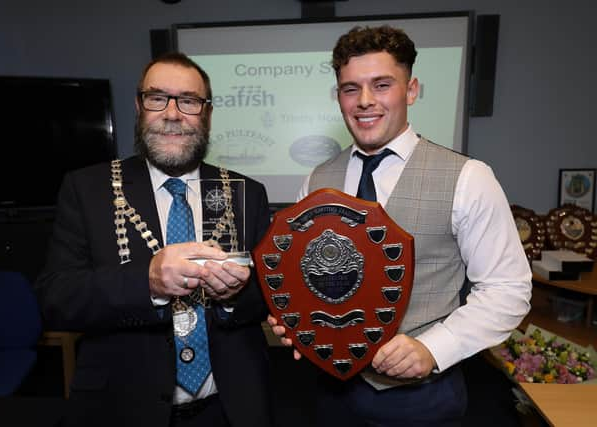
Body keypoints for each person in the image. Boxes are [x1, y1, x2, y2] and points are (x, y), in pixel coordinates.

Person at [268, 25, 532, 426]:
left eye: (382, 84)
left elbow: (507, 289)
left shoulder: (468, 177)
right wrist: (294, 317)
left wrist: (434, 348)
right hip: (330, 393)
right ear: (338, 96)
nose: (365, 101)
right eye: (350, 88)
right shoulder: (316, 181)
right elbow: (311, 281)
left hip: (424, 401)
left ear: (411, 90)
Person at [35, 52, 273, 427]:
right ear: (139, 106)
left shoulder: (246, 192)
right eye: (157, 98)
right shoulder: (87, 188)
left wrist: (234, 296)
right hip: (123, 409)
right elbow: (56, 298)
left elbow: (272, 295)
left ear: (207, 113)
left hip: (231, 409)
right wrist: (147, 280)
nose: (173, 114)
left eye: (189, 101)